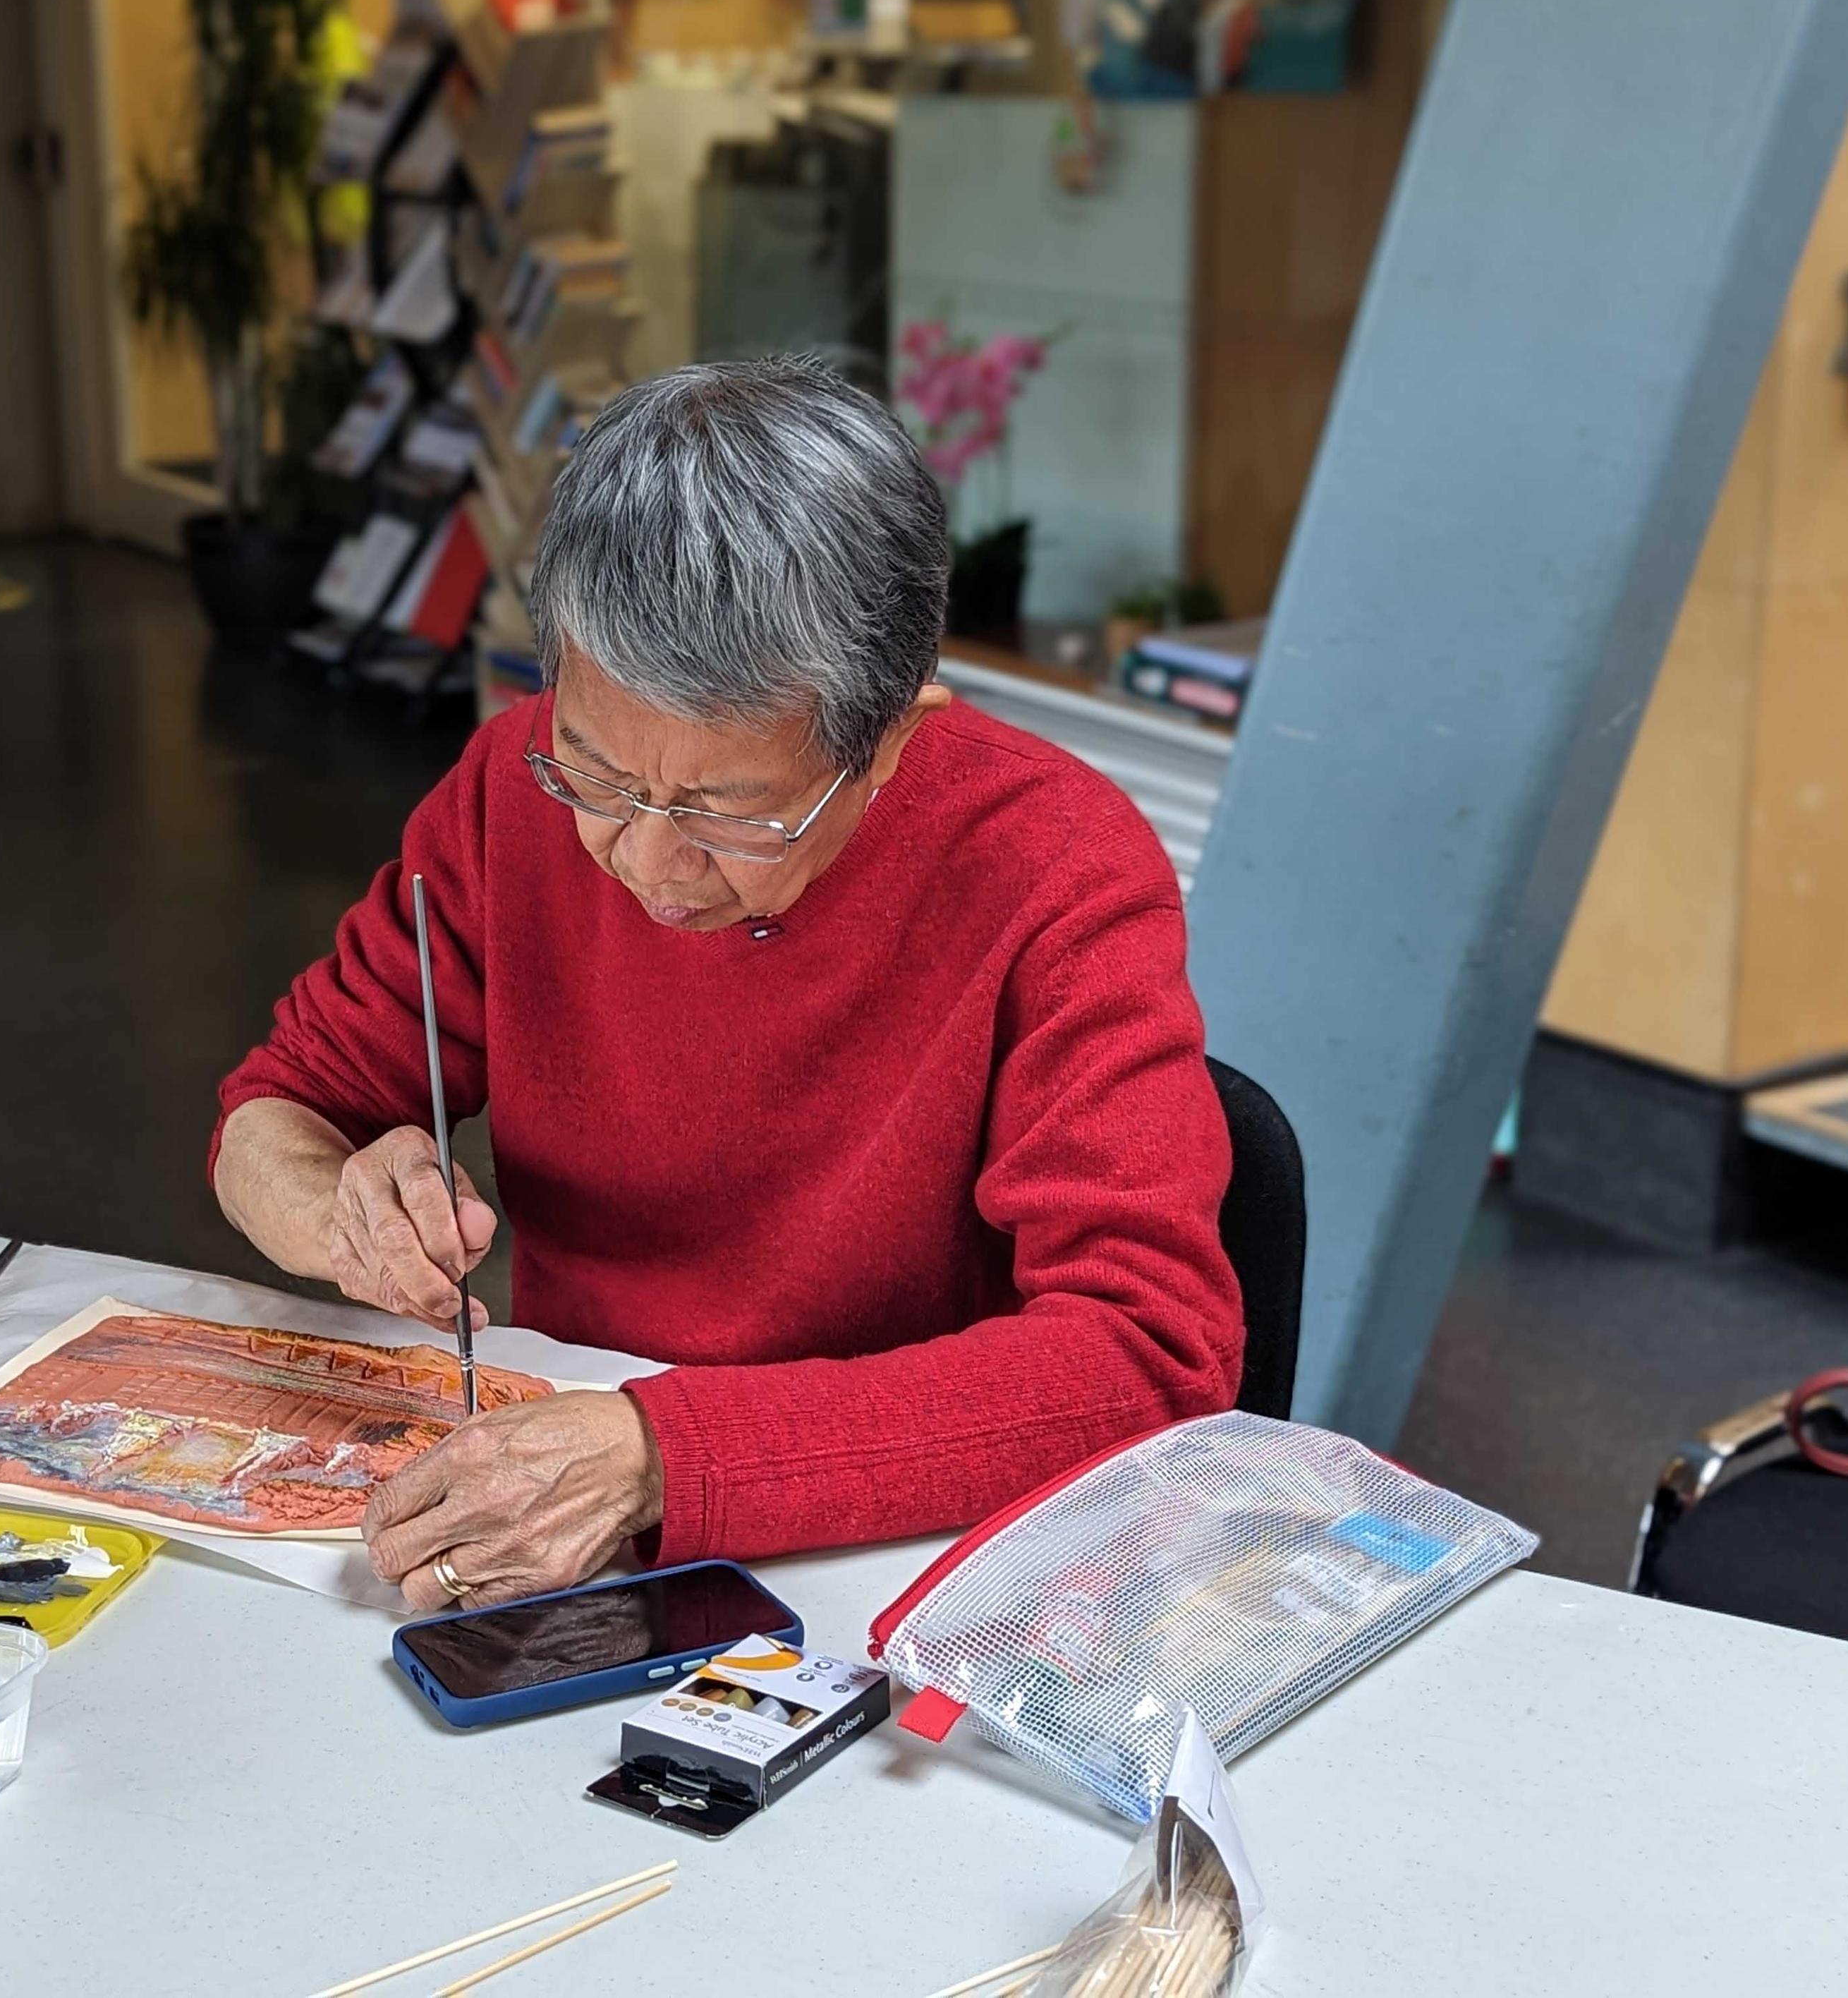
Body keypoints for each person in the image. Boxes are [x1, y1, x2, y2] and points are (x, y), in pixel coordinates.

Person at [210, 357, 1243, 1612]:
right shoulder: (504, 792)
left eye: (730, 812)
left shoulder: (1055, 867)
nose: (647, 863)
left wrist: (662, 1454)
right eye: (595, 771)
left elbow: (1148, 1354)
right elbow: (277, 1108)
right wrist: (341, 1220)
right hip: (552, 1515)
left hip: (884, 1561)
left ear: (900, 732)